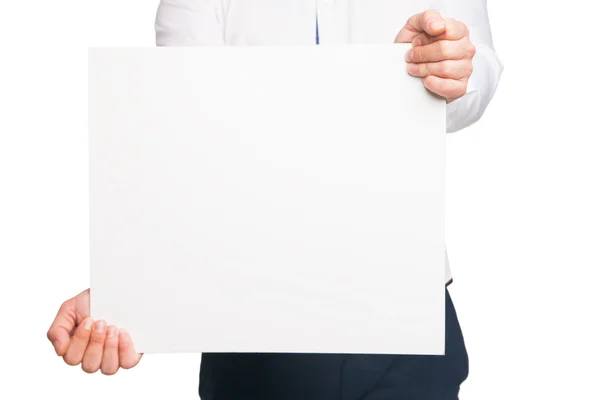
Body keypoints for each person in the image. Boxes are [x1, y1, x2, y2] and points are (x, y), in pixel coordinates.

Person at [48, 1, 503, 399]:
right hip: (252, 326)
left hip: (404, 312)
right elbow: (192, 137)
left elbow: (478, 70)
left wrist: (448, 71)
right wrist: (135, 295)